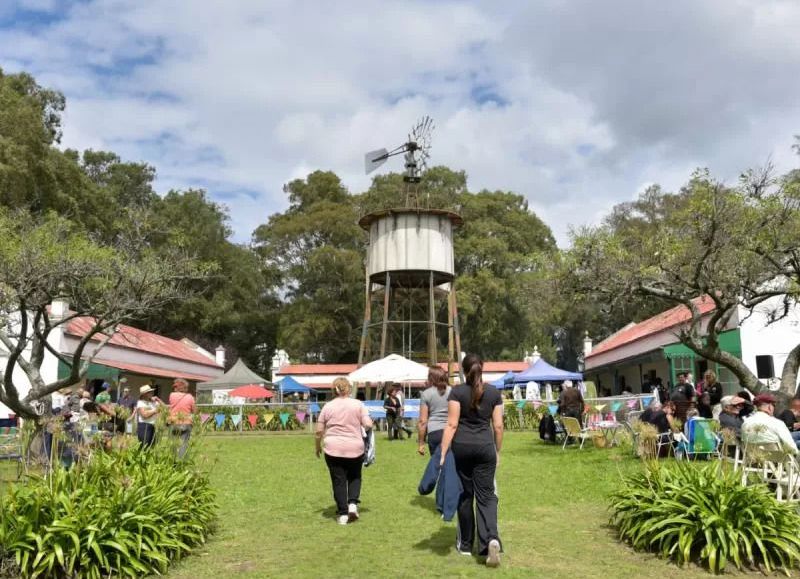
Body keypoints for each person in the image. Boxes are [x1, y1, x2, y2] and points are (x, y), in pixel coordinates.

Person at [439, 354, 503, 567]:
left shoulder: (457, 392)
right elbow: (499, 426)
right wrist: (498, 451)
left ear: (464, 371)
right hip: (485, 449)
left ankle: (466, 545)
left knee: (465, 496)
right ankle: (490, 540)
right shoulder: (494, 392)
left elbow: (451, 425)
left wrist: (442, 453)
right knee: (486, 496)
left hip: (462, 450)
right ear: (481, 369)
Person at [315, 377, 373, 525]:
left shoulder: (328, 406)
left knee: (338, 481)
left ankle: (342, 514)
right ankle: (352, 504)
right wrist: (361, 429)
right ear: (348, 388)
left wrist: (317, 446)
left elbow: (319, 431)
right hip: (355, 447)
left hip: (333, 448)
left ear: (333, 390)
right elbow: (368, 423)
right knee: (355, 476)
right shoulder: (358, 404)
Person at [418, 366, 452, 456]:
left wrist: (421, 443)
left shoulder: (426, 394)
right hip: (451, 431)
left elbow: (422, 422)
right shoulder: (453, 391)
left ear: (431, 378)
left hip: (434, 432)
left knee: (437, 465)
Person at [168, 378, 196, 458]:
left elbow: (172, 406)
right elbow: (194, 411)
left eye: (175, 387)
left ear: (178, 387)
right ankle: (182, 463)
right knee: (183, 444)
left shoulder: (172, 395)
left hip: (173, 422)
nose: (174, 388)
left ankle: (173, 462)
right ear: (185, 387)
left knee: (173, 443)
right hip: (186, 423)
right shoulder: (190, 397)